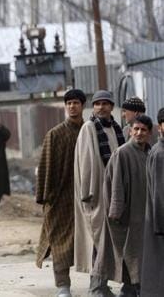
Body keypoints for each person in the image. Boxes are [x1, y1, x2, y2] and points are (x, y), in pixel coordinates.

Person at [92, 115, 153, 296]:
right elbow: (116, 184)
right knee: (124, 255)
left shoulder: (149, 153)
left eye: (143, 130)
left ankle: (130, 290)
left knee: (139, 256)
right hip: (126, 215)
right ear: (130, 131)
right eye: (136, 129)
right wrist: (116, 211)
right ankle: (100, 288)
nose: (139, 133)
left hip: (144, 214)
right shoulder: (123, 153)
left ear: (149, 133)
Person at [73, 90, 125, 296]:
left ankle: (104, 285)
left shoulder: (116, 129)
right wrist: (89, 194)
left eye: (105, 103)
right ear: (92, 108)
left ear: (112, 107)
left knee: (111, 242)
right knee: (99, 242)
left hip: (113, 193)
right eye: (97, 104)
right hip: (96, 195)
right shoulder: (89, 128)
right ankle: (97, 287)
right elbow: (86, 163)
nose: (101, 107)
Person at [35, 89, 86, 297]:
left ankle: (97, 282)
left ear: (82, 105)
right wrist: (45, 197)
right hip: (60, 197)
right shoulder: (55, 134)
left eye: (76, 103)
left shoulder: (89, 131)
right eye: (69, 103)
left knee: (89, 241)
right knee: (59, 242)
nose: (72, 106)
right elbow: (45, 166)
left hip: (85, 196)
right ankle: (63, 285)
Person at [141, 108, 164, 296]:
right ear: (160, 127)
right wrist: (160, 226)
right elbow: (159, 194)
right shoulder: (160, 154)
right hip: (161, 222)